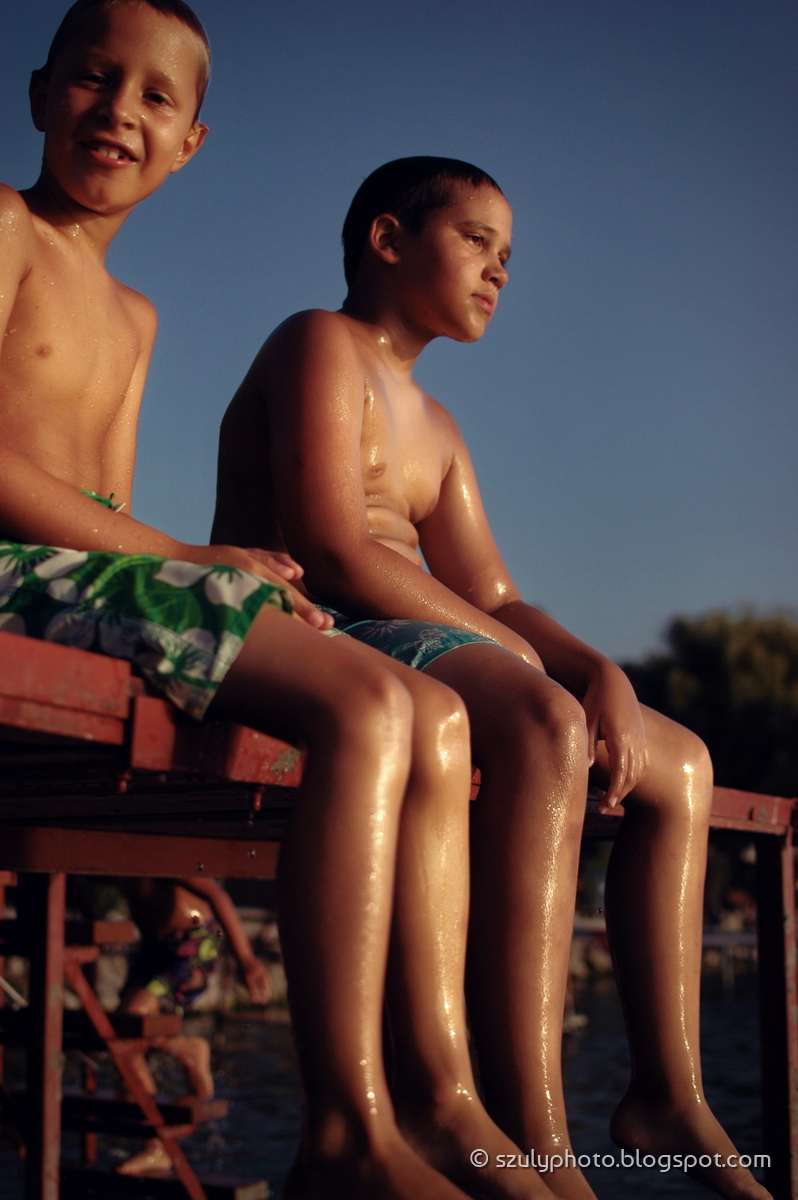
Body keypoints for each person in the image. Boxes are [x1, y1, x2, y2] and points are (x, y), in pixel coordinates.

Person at [0, 17, 551, 1197]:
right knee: (363, 702)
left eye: (155, 98)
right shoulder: (1, 226)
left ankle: (428, 1096)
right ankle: (346, 1125)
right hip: (12, 570)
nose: (118, 112)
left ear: (191, 144)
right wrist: (185, 562)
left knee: (407, 705)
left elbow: (105, 502)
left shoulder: (137, 316)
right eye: (95, 78)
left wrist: (197, 571)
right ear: (40, 90)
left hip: (85, 575)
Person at [213, 156, 772, 1200]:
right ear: (387, 240)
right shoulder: (318, 343)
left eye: (508, 257)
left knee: (681, 764)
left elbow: (499, 595)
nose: (499, 271)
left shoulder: (441, 428)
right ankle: (536, 1131)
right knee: (544, 724)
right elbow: (335, 548)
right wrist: (527, 670)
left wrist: (590, 662)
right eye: (477, 240)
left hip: (426, 639)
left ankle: (667, 1092)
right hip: (321, 629)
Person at [116, 876, 272, 1176]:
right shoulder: (102, 853)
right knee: (122, 1040)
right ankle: (186, 1050)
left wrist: (246, 959)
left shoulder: (147, 843)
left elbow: (216, 893)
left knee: (130, 1021)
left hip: (192, 942)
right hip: (153, 947)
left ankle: (157, 1147)